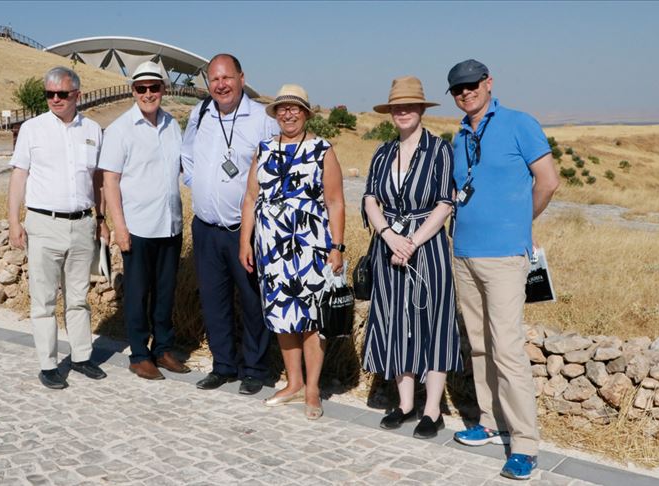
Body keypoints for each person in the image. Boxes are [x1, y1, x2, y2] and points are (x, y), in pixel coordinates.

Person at [446, 59, 559, 480]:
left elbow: (547, 181)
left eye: (472, 85)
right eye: (457, 89)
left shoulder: (518, 123)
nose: (465, 93)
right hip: (464, 253)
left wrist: (520, 223)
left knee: (508, 347)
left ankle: (525, 444)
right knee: (477, 343)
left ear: (489, 83)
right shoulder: (460, 134)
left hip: (505, 256)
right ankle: (490, 422)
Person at [361, 76, 463, 438]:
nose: (402, 112)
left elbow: (445, 203)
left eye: (409, 106)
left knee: (432, 322)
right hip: (389, 249)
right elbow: (371, 198)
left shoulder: (440, 150)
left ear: (421, 109)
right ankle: (404, 404)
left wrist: (412, 241)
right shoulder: (383, 152)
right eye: (396, 107)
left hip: (428, 247)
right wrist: (390, 237)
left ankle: (432, 410)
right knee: (393, 321)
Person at [239, 84, 345, 420]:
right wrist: (245, 241)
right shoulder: (264, 150)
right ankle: (293, 381)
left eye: (294, 108)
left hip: (312, 247)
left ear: (305, 113)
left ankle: (312, 387)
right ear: (276, 114)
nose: (288, 113)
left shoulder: (322, 149)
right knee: (283, 315)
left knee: (313, 319)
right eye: (282, 108)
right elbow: (251, 199)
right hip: (272, 249)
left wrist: (337, 246)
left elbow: (335, 201)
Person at [181, 54, 278, 395]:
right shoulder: (201, 113)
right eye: (214, 79)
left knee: (252, 301)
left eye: (227, 78)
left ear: (241, 77)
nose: (220, 85)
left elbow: (275, 166)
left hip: (245, 230)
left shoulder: (262, 120)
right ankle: (223, 366)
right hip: (206, 227)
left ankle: (254, 368)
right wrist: (198, 181)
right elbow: (187, 153)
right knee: (214, 299)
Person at [7, 66, 109, 389]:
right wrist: (13, 221)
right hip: (43, 223)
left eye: (61, 94)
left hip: (81, 224)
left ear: (77, 94)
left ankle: (81, 357)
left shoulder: (93, 130)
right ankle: (48, 364)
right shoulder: (32, 130)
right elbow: (19, 176)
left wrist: (101, 220)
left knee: (78, 297)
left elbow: (98, 180)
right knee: (44, 300)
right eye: (49, 94)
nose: (54, 99)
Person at [98, 61, 189, 381]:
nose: (148, 93)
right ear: (133, 91)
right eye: (141, 88)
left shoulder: (172, 125)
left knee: (165, 291)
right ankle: (139, 354)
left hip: (170, 224)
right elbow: (110, 181)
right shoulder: (121, 129)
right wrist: (119, 227)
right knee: (137, 293)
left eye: (154, 87)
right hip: (137, 226)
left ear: (164, 89)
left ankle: (163, 348)